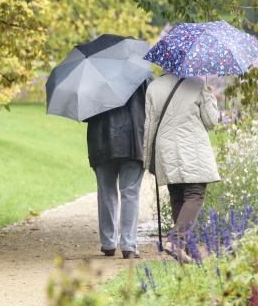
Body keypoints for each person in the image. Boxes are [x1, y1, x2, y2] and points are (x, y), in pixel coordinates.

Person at [143, 73, 220, 262]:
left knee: (178, 196)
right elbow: (211, 122)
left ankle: (189, 253)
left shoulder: (154, 87)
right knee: (195, 194)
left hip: (165, 148)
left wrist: (148, 159)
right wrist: (210, 96)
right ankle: (176, 241)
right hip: (191, 147)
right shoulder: (197, 84)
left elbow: (150, 125)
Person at [84, 79, 149, 259]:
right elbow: (152, 107)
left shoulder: (94, 79)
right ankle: (128, 245)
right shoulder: (141, 77)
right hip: (133, 141)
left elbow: (85, 115)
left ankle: (108, 242)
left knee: (106, 192)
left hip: (102, 141)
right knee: (130, 193)